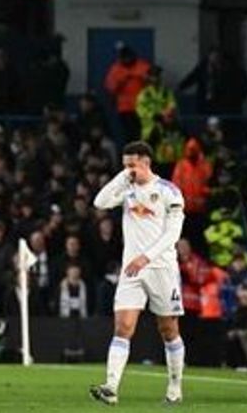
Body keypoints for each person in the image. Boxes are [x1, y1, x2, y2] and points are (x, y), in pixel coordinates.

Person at [89, 142, 186, 405]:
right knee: (123, 327)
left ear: (146, 162)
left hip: (161, 269)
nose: (128, 171)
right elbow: (99, 202)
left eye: (132, 165)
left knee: (168, 329)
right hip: (132, 269)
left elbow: (172, 234)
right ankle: (111, 387)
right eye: (125, 166)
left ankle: (175, 388)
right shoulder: (127, 188)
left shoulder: (169, 191)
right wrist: (122, 176)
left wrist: (146, 257)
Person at [104, 47, 150, 142]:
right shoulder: (116, 69)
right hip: (125, 108)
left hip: (142, 106)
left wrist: (141, 78)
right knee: (129, 134)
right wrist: (122, 80)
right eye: (124, 58)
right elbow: (110, 86)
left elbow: (153, 82)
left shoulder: (143, 66)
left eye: (128, 57)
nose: (127, 60)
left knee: (143, 133)